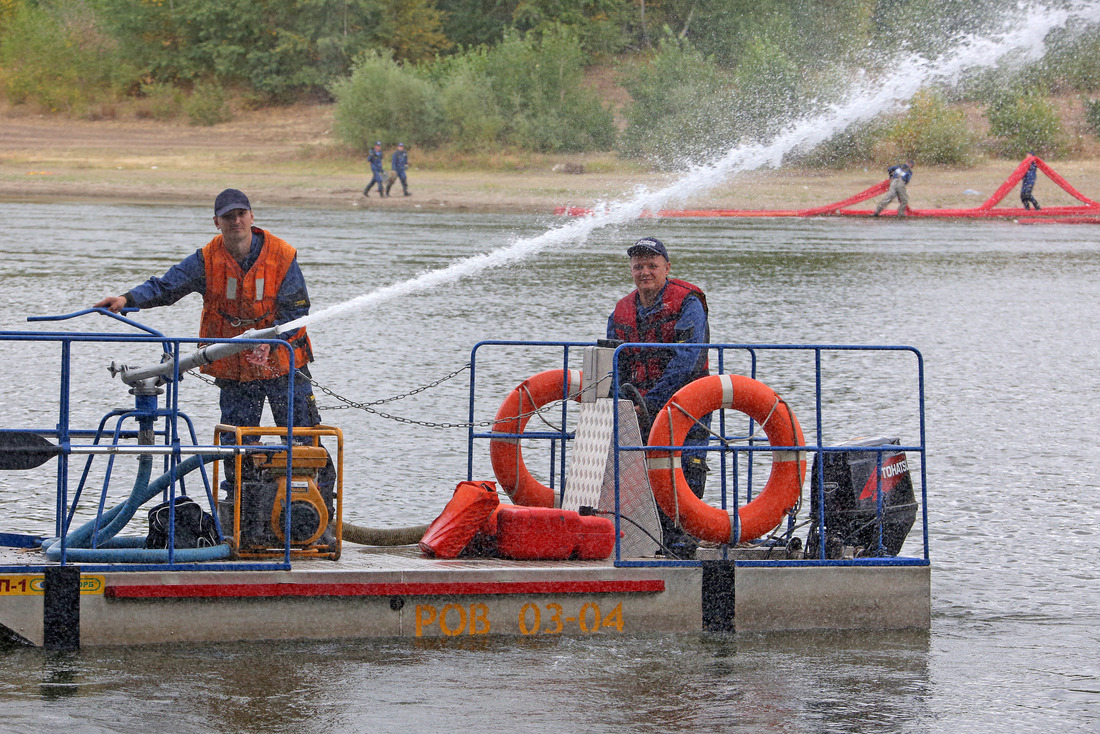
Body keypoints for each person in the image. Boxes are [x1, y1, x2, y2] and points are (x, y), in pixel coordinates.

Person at [93, 188, 324, 463]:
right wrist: (126, 299)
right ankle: (240, 500)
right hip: (234, 368)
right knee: (236, 447)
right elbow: (167, 286)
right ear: (217, 222)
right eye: (228, 216)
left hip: (284, 365)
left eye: (240, 214)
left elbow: (297, 310)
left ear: (252, 216)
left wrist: (268, 342)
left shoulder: (282, 255)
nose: (235, 221)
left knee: (303, 444)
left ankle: (314, 499)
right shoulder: (206, 259)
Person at [607, 237, 711, 558]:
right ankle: (648, 536)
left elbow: (687, 359)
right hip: (640, 403)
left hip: (687, 402)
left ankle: (683, 540)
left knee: (685, 463)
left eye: (652, 265)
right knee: (638, 466)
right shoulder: (622, 310)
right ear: (631, 270)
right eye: (638, 266)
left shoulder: (688, 303)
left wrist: (651, 401)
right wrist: (621, 403)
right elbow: (613, 361)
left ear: (668, 268)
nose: (645, 272)